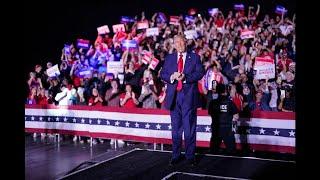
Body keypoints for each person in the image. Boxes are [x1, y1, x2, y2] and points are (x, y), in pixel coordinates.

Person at [160, 35, 205, 166]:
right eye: (176, 42)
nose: (179, 44)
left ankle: (190, 156)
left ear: (186, 42)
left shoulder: (194, 57)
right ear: (173, 45)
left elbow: (200, 73)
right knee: (176, 129)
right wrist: (172, 77)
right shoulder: (169, 58)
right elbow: (163, 74)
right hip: (174, 97)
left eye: (181, 41)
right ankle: (176, 155)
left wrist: (185, 77)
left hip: (188, 97)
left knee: (189, 128)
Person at [208, 84, 239, 155]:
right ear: (225, 91)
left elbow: (210, 114)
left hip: (216, 127)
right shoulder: (230, 102)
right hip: (227, 128)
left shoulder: (212, 102)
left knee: (213, 152)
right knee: (231, 152)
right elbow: (236, 116)